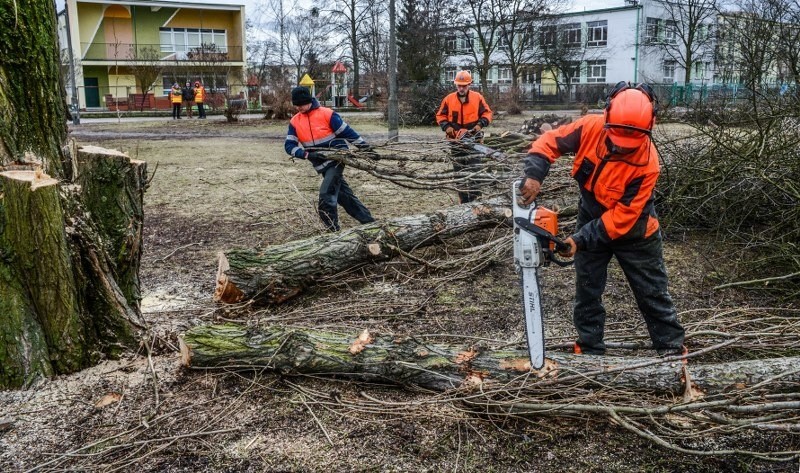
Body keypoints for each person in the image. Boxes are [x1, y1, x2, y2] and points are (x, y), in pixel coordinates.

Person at [518, 81, 686, 357]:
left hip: (636, 232)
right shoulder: (590, 128)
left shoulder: (648, 164)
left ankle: (670, 349)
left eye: (628, 144)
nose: (621, 148)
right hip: (591, 214)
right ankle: (589, 348)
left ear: (649, 126)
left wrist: (580, 239)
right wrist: (535, 174)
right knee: (587, 289)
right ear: (607, 117)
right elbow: (549, 142)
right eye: (617, 139)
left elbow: (623, 217)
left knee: (652, 293)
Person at [284, 86, 377, 232]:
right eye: (297, 105)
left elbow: (348, 133)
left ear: (309, 101)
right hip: (320, 163)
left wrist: (365, 148)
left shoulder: (327, 114)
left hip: (337, 158)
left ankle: (332, 231)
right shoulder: (295, 122)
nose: (299, 108)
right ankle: (370, 222)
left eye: (302, 104)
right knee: (343, 195)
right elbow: (289, 146)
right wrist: (307, 155)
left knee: (326, 195)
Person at [435, 70, 493, 203]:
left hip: (474, 139)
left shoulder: (477, 97)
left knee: (475, 171)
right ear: (456, 85)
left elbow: (487, 113)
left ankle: (475, 200)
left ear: (469, 85)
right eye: (459, 85)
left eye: (464, 86)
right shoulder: (449, 99)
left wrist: (479, 126)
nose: (461, 88)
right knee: (459, 172)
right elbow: (440, 115)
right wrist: (447, 128)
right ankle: (463, 201)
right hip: (456, 141)